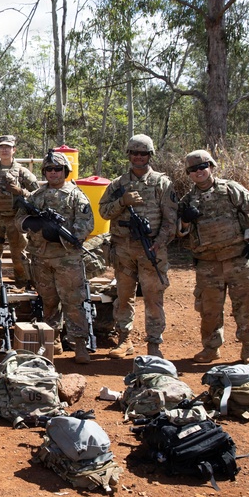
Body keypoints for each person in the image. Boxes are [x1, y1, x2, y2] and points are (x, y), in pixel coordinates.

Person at [176, 149, 249, 365]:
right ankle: (210, 348)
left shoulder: (231, 189)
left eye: (202, 167)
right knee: (209, 310)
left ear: (211, 167)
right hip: (208, 263)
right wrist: (186, 221)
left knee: (247, 305)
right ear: (188, 173)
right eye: (193, 169)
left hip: (238, 258)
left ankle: (248, 349)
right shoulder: (188, 201)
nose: (199, 172)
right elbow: (180, 234)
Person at [98, 134, 177, 359]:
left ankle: (154, 344)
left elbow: (171, 220)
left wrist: (158, 243)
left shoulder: (162, 183)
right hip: (123, 249)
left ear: (150, 156)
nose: (138, 157)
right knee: (124, 296)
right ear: (129, 155)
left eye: (143, 154)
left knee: (153, 297)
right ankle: (124, 340)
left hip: (152, 248)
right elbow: (103, 212)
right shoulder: (118, 184)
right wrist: (122, 202)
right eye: (134, 153)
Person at [16, 151, 95, 363]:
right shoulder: (36, 196)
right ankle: (52, 341)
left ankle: (79, 344)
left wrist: (61, 236)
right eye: (49, 169)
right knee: (49, 301)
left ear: (65, 172)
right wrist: (33, 224)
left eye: (57, 169)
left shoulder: (76, 195)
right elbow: (19, 221)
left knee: (73, 302)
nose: (53, 173)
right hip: (41, 258)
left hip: (67, 258)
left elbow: (87, 223)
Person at [0, 135, 40, 288]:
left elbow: (38, 194)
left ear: (14, 150)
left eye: (8, 147)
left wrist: (20, 191)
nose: (4, 150)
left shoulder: (22, 172)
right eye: (1, 147)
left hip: (16, 220)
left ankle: (23, 284)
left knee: (19, 255)